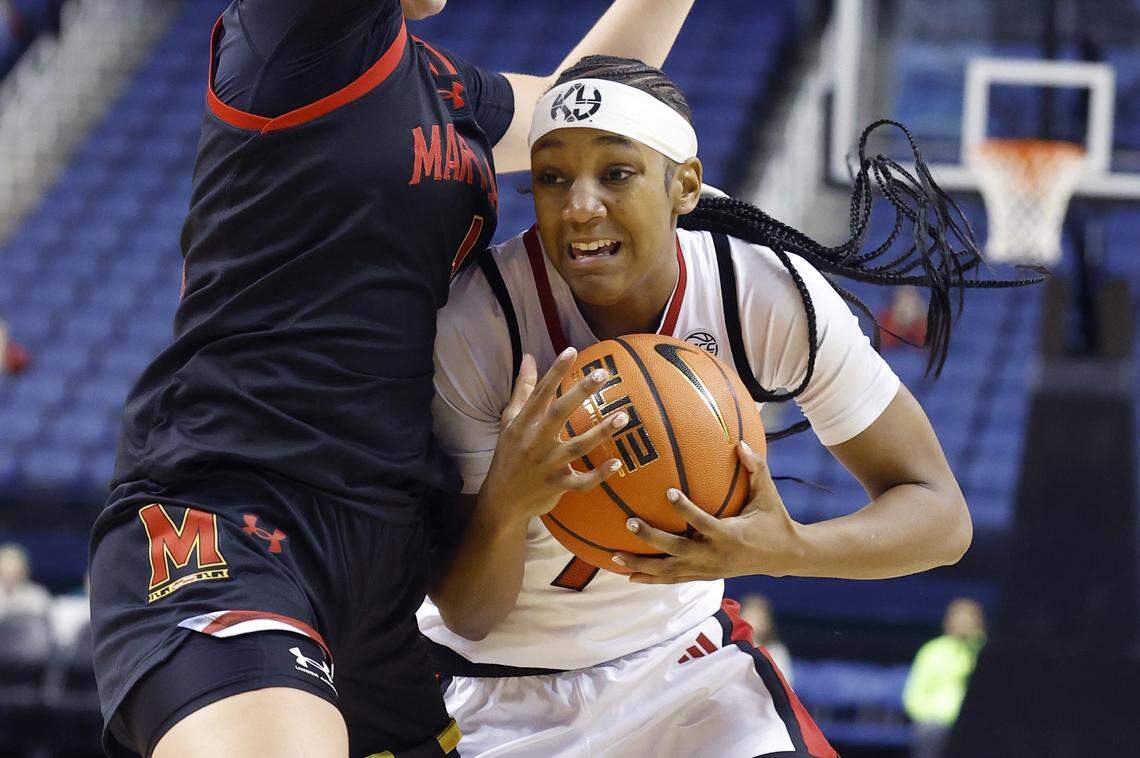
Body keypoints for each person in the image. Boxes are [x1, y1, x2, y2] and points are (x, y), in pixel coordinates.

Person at [87, 3, 697, 757]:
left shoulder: (442, 84)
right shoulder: (300, 32)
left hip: (385, 562)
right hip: (233, 519)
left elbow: (586, 102)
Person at [417, 56, 1035, 757]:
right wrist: (506, 501)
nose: (579, 205)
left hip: (684, 670)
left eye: (616, 174)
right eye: (552, 178)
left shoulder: (760, 295)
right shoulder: (478, 323)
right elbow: (467, 613)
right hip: (496, 691)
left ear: (683, 184)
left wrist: (790, 549)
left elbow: (939, 517)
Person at [903, 597, 987, 758]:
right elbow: (914, 694)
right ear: (949, 621)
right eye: (959, 619)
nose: (964, 624)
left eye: (969, 619)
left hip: (976, 722)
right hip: (935, 722)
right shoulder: (933, 650)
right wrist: (928, 716)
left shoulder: (984, 651)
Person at [740, 593, 794, 686]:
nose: (752, 621)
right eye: (749, 615)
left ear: (766, 622)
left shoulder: (776, 651)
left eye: (757, 617)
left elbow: (785, 684)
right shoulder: (729, 647)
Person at [0, 542, 50, 617]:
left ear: (24, 570)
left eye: (15, 569)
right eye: (6, 569)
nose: (10, 574)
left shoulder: (37, 595)